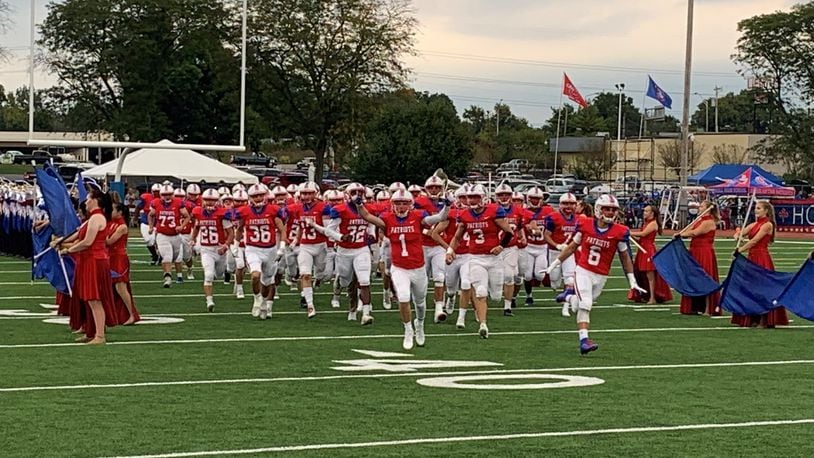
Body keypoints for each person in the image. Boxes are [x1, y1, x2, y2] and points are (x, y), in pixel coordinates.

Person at [544, 194, 646, 355]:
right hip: (583, 270)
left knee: (578, 305)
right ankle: (584, 341)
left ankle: (568, 297)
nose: (611, 212)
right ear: (599, 209)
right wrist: (554, 264)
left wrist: (632, 280)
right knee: (586, 304)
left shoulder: (619, 231)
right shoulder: (585, 224)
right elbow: (571, 247)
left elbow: (625, 257)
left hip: (602, 275)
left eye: (613, 210)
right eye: (607, 209)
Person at [356, 189, 449, 350]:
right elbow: (367, 216)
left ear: (410, 204)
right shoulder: (387, 218)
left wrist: (447, 205)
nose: (401, 206)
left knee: (420, 303)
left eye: (404, 203)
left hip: (418, 267)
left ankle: (419, 325)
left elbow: (439, 217)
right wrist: (358, 204)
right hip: (399, 268)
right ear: (393, 205)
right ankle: (408, 330)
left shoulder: (418, 217)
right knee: (404, 297)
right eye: (398, 203)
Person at [445, 184, 514, 339]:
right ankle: (483, 324)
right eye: (470, 197)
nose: (472, 200)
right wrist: (450, 251)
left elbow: (509, 232)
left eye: (475, 197)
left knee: (496, 296)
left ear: (483, 197)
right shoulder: (464, 215)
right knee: (481, 291)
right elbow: (457, 237)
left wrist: (501, 246)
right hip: (475, 258)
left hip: (494, 259)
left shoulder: (494, 211)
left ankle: (486, 311)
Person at [57, 190, 118, 344]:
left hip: (95, 261)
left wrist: (68, 250)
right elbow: (79, 235)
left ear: (95, 200)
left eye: (88, 199)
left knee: (94, 299)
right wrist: (62, 242)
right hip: (88, 260)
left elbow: (87, 242)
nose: (85, 202)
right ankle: (91, 331)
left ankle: (100, 336)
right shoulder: (91, 218)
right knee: (87, 298)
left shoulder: (97, 217)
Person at [732, 200, 788, 327]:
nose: (756, 210)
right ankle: (752, 318)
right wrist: (737, 234)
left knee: (762, 288)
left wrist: (740, 250)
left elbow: (755, 241)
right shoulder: (754, 224)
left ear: (766, 211)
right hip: (751, 258)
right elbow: (741, 234)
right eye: (755, 208)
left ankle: (766, 319)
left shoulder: (768, 225)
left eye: (758, 208)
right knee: (750, 287)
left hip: (761, 258)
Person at [236, 184, 288, 320]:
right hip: (253, 248)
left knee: (267, 282)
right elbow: (240, 229)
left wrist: (282, 246)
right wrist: (235, 245)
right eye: (254, 196)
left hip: (270, 249)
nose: (258, 198)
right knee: (255, 275)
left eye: (260, 195)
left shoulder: (273, 210)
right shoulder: (245, 211)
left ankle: (264, 302)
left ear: (265, 195)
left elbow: (282, 229)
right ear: (250, 197)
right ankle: (257, 298)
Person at [286, 181, 330, 318]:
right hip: (305, 245)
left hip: (321, 244)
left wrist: (315, 226)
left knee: (322, 273)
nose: (306, 196)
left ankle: (317, 281)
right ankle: (310, 306)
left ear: (315, 193)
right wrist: (296, 240)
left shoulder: (324, 207)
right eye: (304, 193)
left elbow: (327, 230)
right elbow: (301, 226)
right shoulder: (298, 208)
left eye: (309, 193)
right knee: (305, 274)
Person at [190, 189, 235, 312]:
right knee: (208, 275)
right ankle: (209, 300)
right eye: (208, 200)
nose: (210, 202)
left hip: (219, 248)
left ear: (217, 201)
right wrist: (193, 239)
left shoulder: (222, 214)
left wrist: (225, 245)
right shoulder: (199, 212)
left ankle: (216, 277)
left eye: (212, 200)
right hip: (206, 249)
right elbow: (197, 226)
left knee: (219, 274)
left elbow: (231, 233)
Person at [414, 175, 449, 322]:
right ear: (426, 189)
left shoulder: (447, 202)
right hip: (422, 244)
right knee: (421, 280)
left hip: (439, 245)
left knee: (440, 277)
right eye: (431, 187)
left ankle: (439, 309)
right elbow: (412, 223)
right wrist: (426, 232)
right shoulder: (418, 203)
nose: (434, 190)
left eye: (437, 187)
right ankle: (419, 307)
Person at [677, 200, 720, 316]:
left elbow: (695, 233)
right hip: (694, 251)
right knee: (692, 278)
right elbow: (687, 230)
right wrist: (685, 231)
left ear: (709, 208)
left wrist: (681, 234)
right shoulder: (699, 220)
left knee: (704, 277)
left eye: (701, 206)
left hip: (704, 252)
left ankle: (707, 308)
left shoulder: (709, 222)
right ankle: (693, 307)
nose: (699, 208)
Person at [148, 184, 191, 287]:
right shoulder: (156, 203)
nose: (167, 197)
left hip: (175, 236)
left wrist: (181, 226)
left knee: (175, 257)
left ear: (173, 194)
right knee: (167, 256)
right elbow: (150, 215)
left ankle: (173, 272)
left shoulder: (178, 203)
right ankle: (167, 277)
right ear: (160, 195)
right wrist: (150, 226)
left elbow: (187, 216)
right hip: (162, 235)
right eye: (164, 195)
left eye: (169, 194)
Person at [544, 192, 580, 317]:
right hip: (554, 252)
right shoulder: (553, 217)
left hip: (569, 252)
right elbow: (546, 235)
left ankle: (566, 306)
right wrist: (557, 245)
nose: (568, 206)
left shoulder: (580, 219)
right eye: (565, 203)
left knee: (570, 278)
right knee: (555, 282)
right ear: (560, 205)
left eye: (571, 203)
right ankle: (557, 287)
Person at [629, 205, 672, 305]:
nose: (644, 212)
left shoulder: (653, 223)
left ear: (652, 213)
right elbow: (641, 239)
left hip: (648, 250)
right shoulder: (646, 223)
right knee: (640, 273)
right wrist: (631, 237)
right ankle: (645, 295)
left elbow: (644, 234)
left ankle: (653, 297)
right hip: (642, 249)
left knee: (650, 275)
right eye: (644, 211)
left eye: (647, 211)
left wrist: (629, 232)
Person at [106, 202, 140, 325]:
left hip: (119, 258)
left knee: (120, 287)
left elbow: (109, 241)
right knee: (112, 287)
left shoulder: (122, 226)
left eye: (113, 210)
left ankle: (131, 314)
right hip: (110, 257)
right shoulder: (111, 223)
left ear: (120, 212)